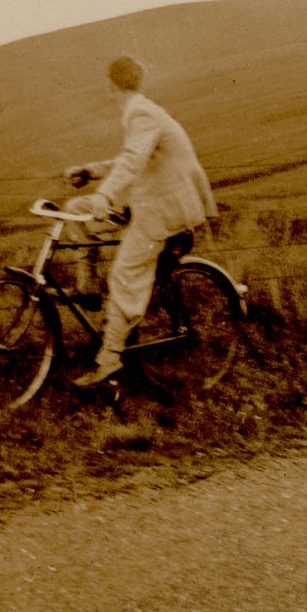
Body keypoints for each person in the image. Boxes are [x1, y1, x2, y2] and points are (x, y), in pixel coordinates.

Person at [65, 56, 216, 388]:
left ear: (110, 85)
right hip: (149, 199)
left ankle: (109, 362)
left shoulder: (141, 112)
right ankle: (88, 289)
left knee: (124, 274)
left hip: (163, 208)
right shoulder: (141, 111)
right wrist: (91, 171)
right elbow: (133, 158)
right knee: (76, 210)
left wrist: (104, 197)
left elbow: (133, 161)